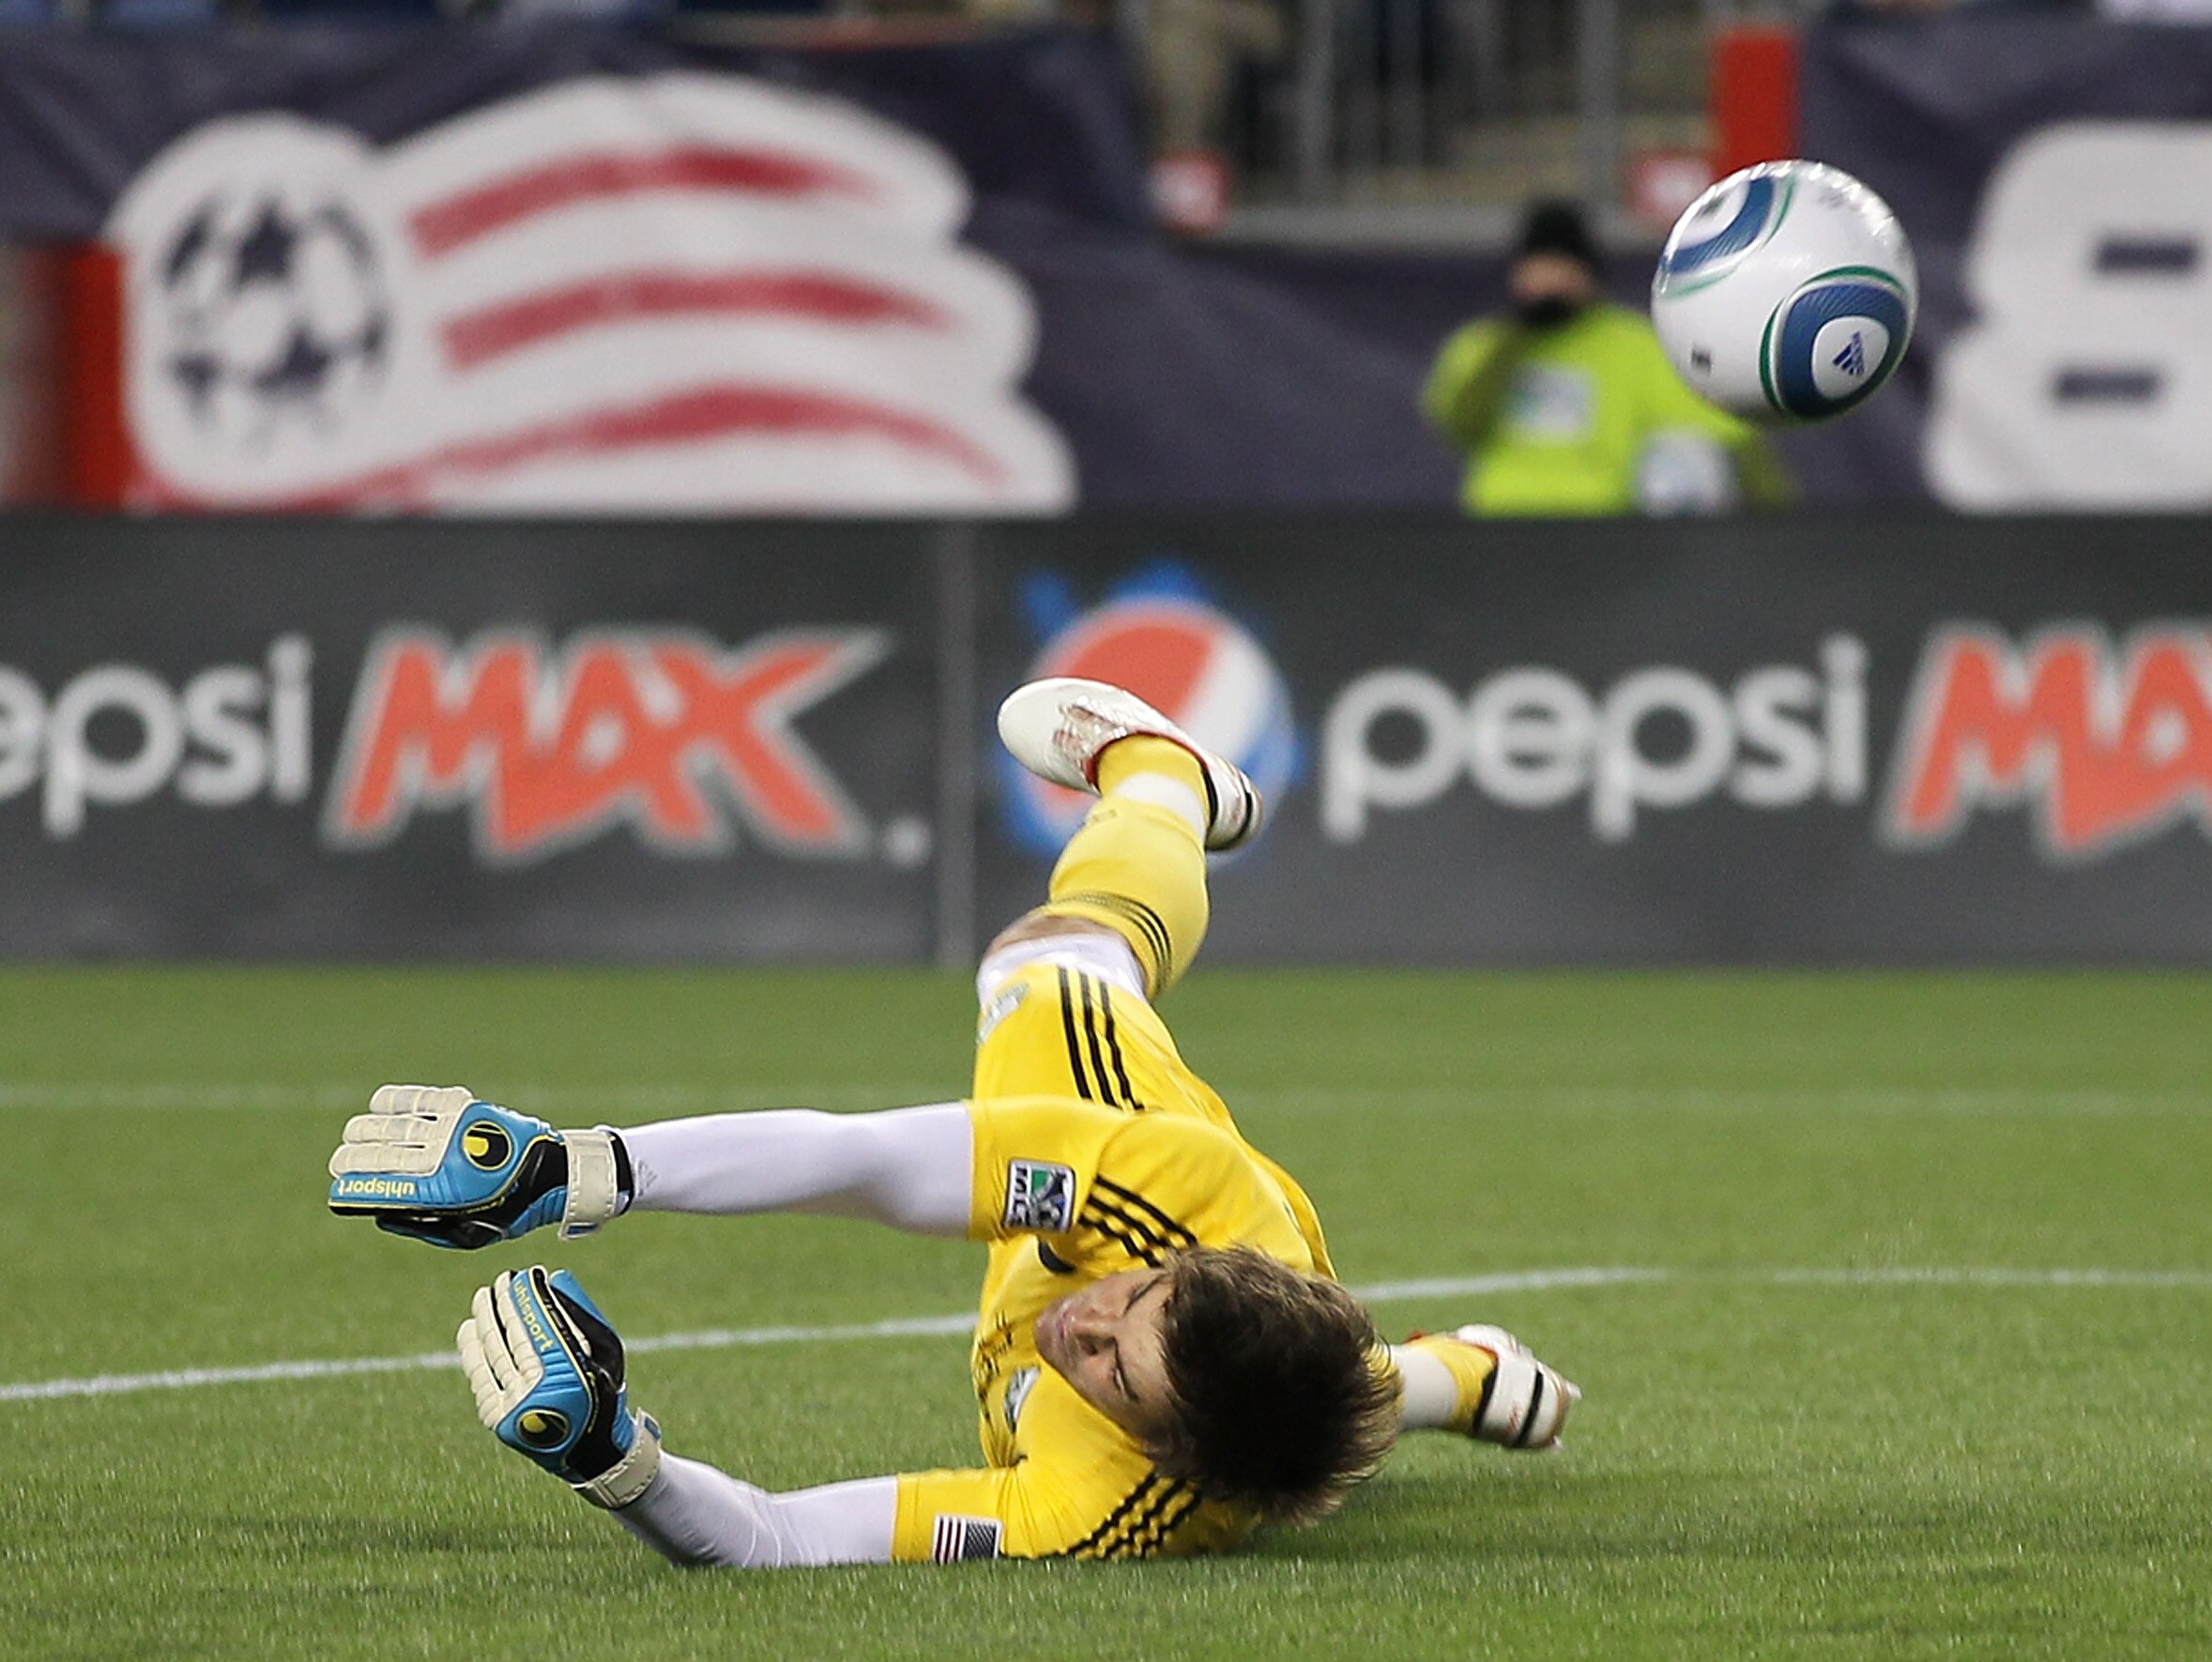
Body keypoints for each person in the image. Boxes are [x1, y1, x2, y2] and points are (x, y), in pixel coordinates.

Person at [326, 678, 1579, 1566]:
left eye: (1114, 1371)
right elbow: (867, 1162)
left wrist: (614, 1463)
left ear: (1170, 1450)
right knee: (1043, 964)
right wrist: (575, 1171)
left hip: (1247, 1414)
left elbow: (775, 1538)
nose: (1083, 1323)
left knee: (1326, 1455)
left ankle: (1461, 1374)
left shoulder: (1114, 1508)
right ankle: (1168, 781)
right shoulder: (1166, 1206)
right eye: (1131, 1308)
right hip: (1152, 1174)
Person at [1422, 199, 1792, 517]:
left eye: (1563, 266)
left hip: (1603, 533)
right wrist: (1507, 350)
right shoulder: (1485, 345)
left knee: (1684, 459)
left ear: (1588, 273)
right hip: (1500, 527)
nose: (1550, 280)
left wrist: (1776, 515)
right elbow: (1454, 419)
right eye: (1538, 267)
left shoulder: (1632, 344)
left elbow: (1726, 431)